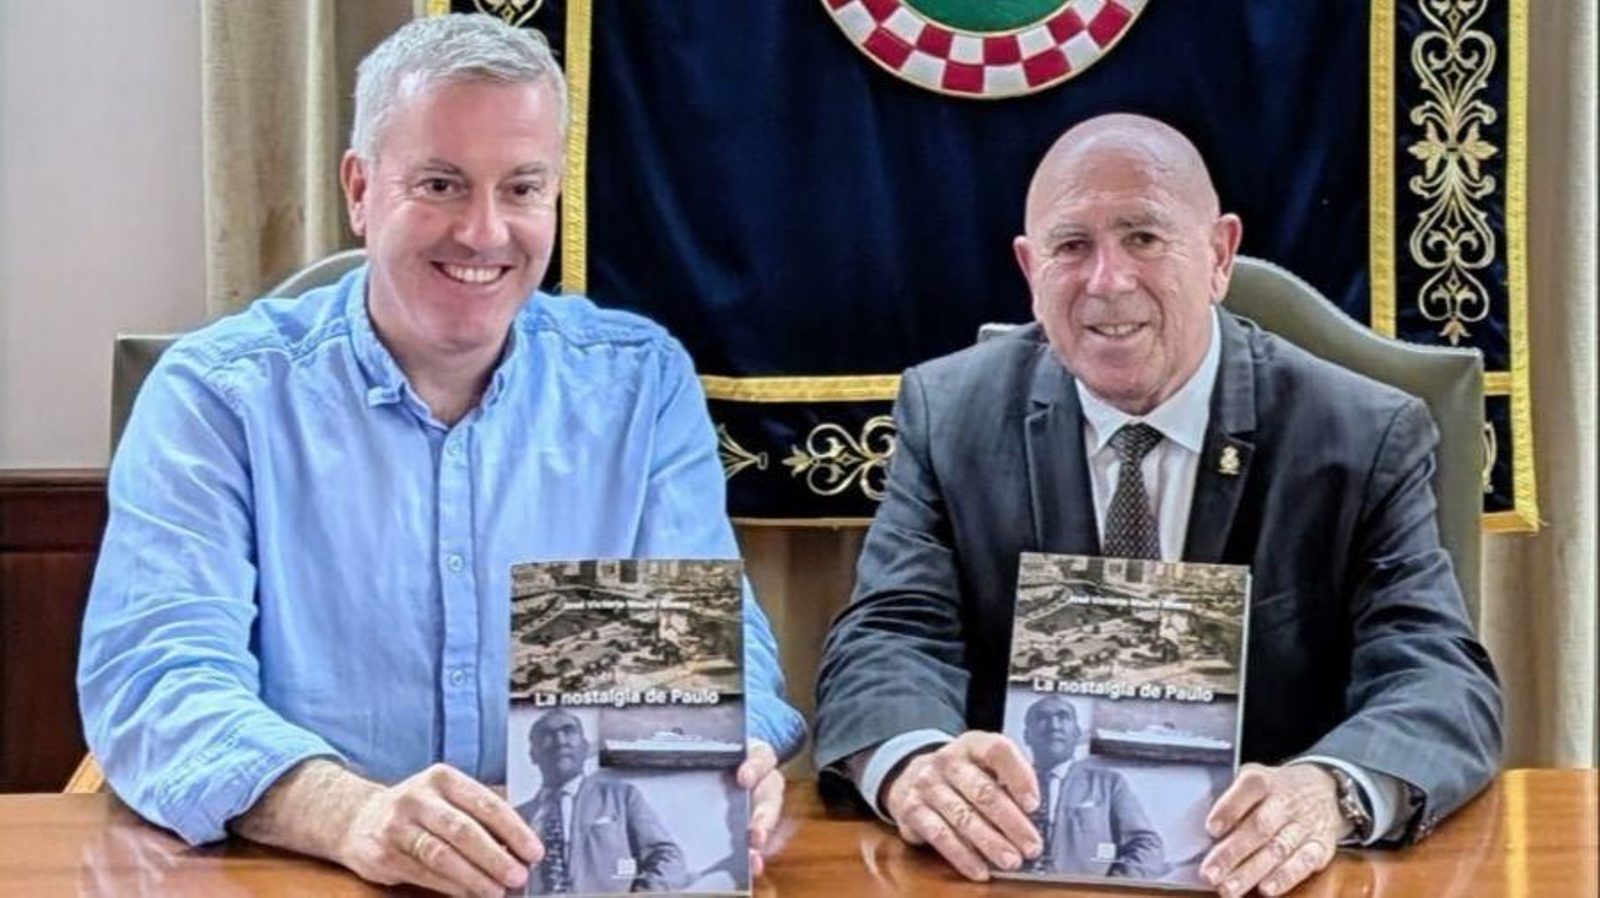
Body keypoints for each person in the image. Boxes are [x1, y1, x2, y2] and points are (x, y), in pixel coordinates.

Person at [77, 14, 804, 898]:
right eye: (441, 184)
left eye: (523, 188)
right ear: (360, 187)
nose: (485, 233)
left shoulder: (640, 385)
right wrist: (351, 814)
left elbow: (715, 652)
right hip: (302, 874)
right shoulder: (216, 395)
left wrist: (738, 745)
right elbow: (158, 680)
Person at [813, 113, 1502, 898]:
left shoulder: (1362, 435)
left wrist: (1328, 791)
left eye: (1143, 237)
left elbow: (1438, 678)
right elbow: (888, 636)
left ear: (1218, 254)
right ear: (1029, 268)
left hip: (1260, 877)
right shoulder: (948, 412)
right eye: (1072, 247)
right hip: (1014, 869)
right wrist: (916, 765)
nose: (1107, 281)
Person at [514, 711, 686, 894]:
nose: (560, 740)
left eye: (568, 731)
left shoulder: (622, 797)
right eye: (546, 734)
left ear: (585, 747)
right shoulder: (517, 817)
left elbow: (668, 856)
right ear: (533, 754)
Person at [1021, 697, 1162, 878]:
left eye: (1063, 717)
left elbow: (1147, 846)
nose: (1054, 725)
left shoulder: (1109, 783)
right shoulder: (1002, 786)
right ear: (1026, 736)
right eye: (1042, 718)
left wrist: (1110, 890)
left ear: (1078, 734)